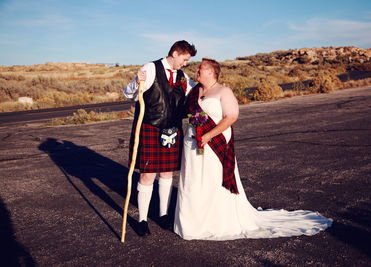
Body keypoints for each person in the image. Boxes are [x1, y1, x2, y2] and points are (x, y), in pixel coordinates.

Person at [174, 58, 332, 240]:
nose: (197, 71)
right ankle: (192, 223)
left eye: (200, 68)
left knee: (213, 180)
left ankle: (215, 223)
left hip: (214, 142)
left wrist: (209, 135)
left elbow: (231, 116)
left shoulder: (224, 91)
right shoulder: (195, 91)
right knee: (193, 181)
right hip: (193, 142)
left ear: (211, 71)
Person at [124, 40, 197, 236]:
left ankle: (163, 215)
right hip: (150, 126)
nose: (185, 63)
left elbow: (194, 95)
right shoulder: (151, 68)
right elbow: (128, 93)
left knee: (167, 173)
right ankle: (142, 220)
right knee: (148, 175)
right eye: (184, 59)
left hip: (173, 128)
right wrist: (135, 82)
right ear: (175, 53)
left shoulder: (183, 76)